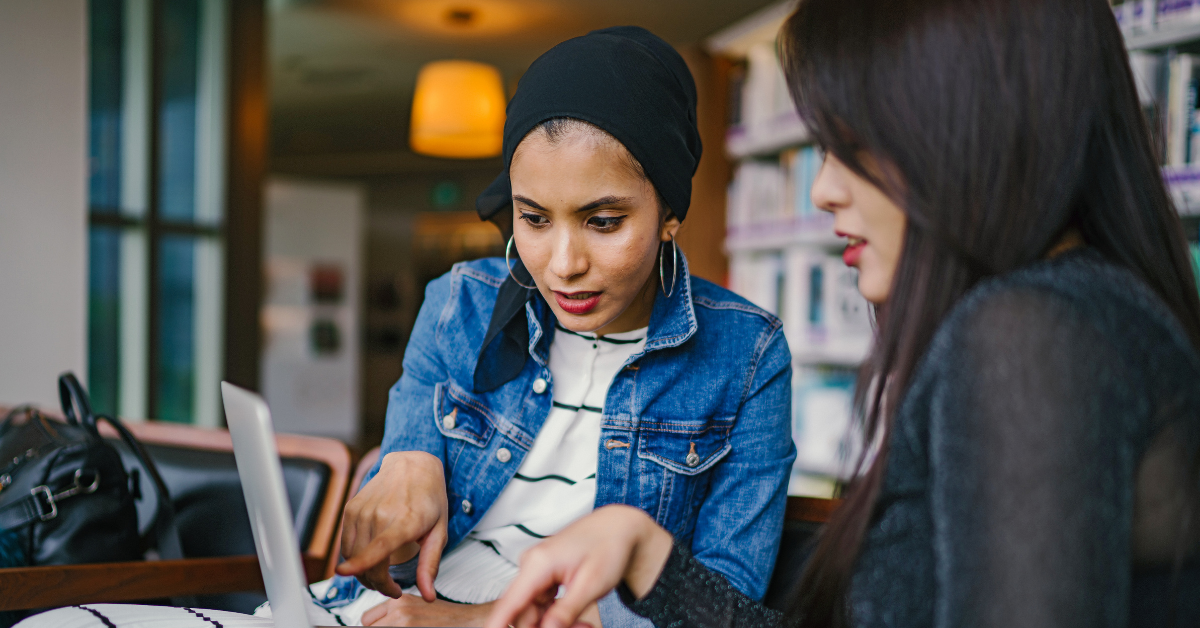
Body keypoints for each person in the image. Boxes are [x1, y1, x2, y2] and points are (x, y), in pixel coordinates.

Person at [15, 26, 795, 628]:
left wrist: (467, 621)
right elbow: (387, 503)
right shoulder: (461, 300)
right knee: (59, 620)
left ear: (671, 214)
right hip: (359, 612)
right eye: (532, 218)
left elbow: (716, 606)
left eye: (602, 221)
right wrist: (403, 462)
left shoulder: (746, 354)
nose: (562, 264)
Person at [484, 1, 1200, 628]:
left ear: (969, 122)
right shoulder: (1072, 314)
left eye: (852, 146)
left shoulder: (1033, 336)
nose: (823, 189)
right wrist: (646, 556)